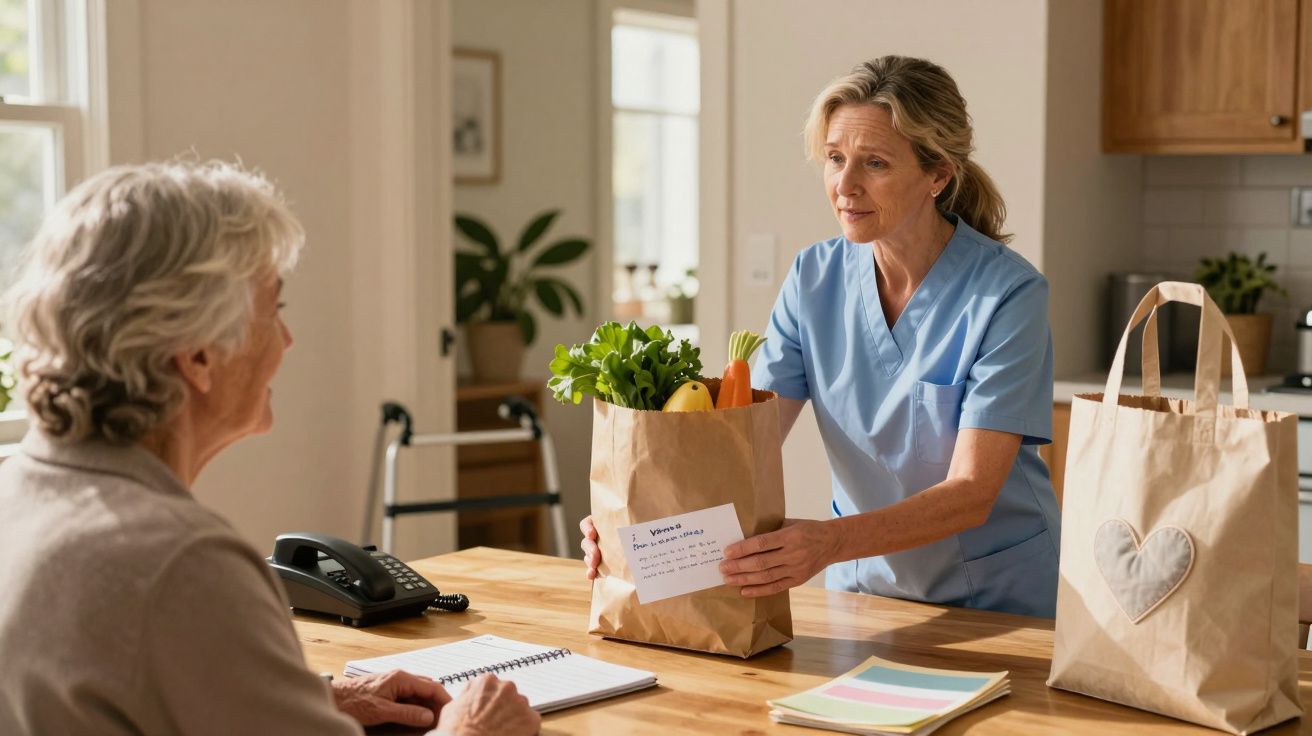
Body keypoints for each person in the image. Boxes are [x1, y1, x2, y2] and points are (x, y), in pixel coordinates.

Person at [0, 160, 540, 735]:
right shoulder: (184, 565)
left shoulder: (17, 492)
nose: (287, 339)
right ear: (200, 355)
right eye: (274, 309)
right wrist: (474, 731)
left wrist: (319, 700)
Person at [582, 56, 1060, 618]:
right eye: (835, 159)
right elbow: (739, 446)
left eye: (875, 163)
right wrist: (638, 518)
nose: (845, 186)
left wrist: (830, 542)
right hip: (866, 592)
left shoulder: (1009, 294)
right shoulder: (814, 278)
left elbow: (974, 491)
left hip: (998, 601)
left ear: (938, 175)